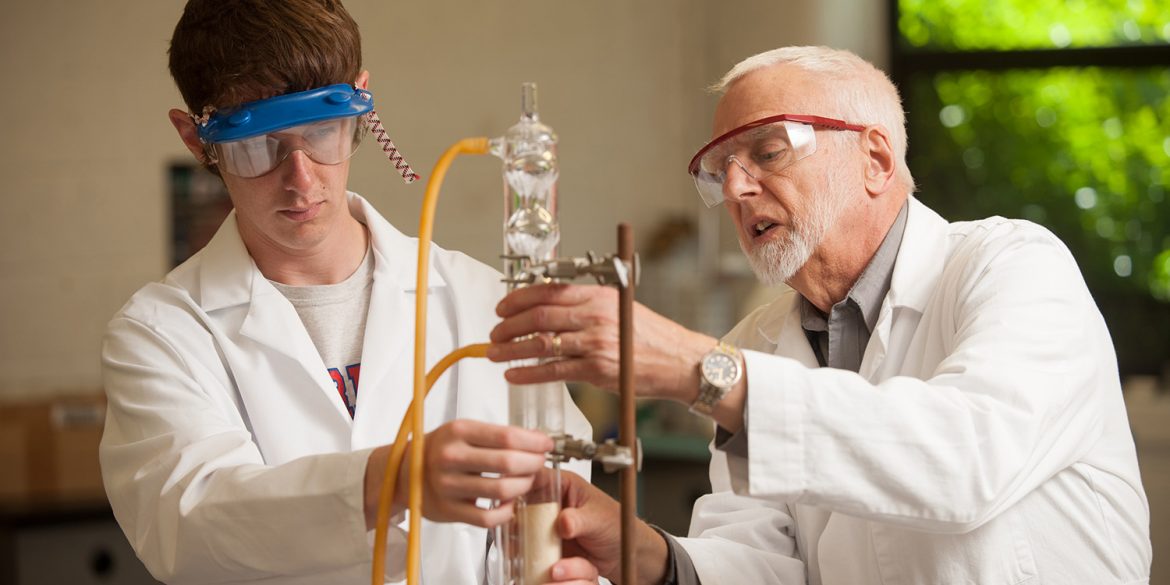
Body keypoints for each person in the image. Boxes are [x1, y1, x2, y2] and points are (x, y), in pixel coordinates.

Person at [488, 46, 1152, 584]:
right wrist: (640, 552)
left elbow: (965, 460)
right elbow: (769, 566)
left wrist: (702, 369)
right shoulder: (759, 338)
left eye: (768, 152)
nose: (738, 188)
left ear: (875, 159)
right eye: (721, 171)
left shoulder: (1013, 265)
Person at [98, 1, 593, 583]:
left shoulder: (480, 297)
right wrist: (388, 481)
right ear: (195, 138)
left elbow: (567, 499)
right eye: (258, 145)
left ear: (362, 101)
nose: (301, 177)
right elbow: (192, 526)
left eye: (322, 130)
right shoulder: (162, 333)